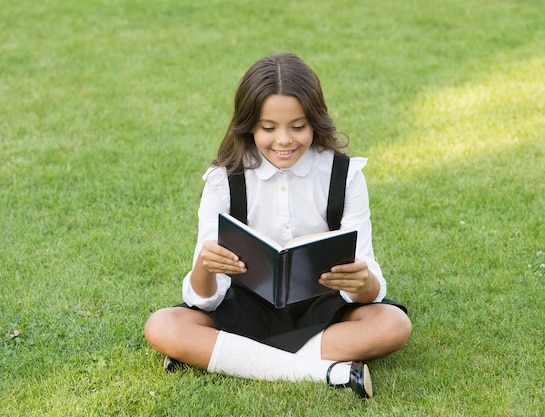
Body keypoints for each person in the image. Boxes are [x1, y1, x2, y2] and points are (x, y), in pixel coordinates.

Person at [144, 52, 412, 399]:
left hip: (322, 309)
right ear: (249, 125)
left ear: (315, 121)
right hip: (245, 308)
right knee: (164, 325)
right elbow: (203, 299)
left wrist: (364, 282)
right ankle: (329, 372)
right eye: (268, 128)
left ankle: (229, 357)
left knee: (393, 325)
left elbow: (368, 288)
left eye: (298, 127)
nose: (284, 140)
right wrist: (204, 267)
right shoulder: (224, 181)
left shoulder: (344, 176)